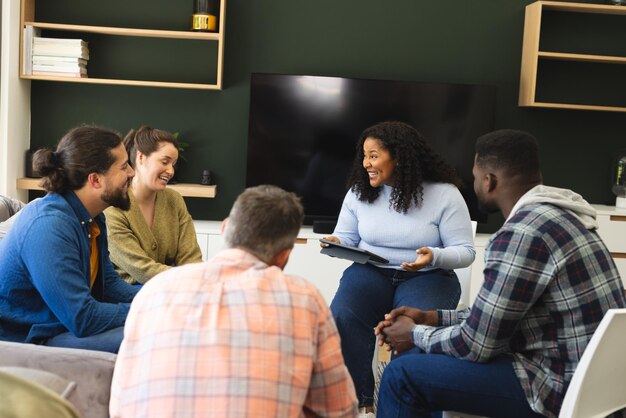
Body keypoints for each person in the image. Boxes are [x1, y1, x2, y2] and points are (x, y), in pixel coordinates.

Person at [375, 129, 626, 418]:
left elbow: (476, 346)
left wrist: (414, 332)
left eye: (474, 175)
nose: (475, 184)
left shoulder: (521, 234)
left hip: (554, 388)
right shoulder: (565, 217)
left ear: (489, 180)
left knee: (401, 376)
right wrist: (431, 318)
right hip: (597, 388)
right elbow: (498, 318)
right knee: (421, 355)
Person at [110, 185, 358, 418]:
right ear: (284, 256)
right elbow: (339, 410)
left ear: (225, 227)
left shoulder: (154, 290)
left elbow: (119, 404)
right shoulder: (303, 298)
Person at [322, 121, 475, 412]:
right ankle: (354, 403)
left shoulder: (444, 194)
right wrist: (336, 243)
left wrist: (435, 256)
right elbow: (348, 237)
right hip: (371, 271)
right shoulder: (359, 192)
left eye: (374, 156)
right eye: (364, 156)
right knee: (342, 314)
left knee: (411, 331)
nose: (366, 163)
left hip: (429, 276)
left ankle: (405, 408)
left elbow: (466, 252)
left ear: (400, 157)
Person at [0, 125, 140, 354]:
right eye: (124, 166)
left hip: (60, 325)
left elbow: (107, 287)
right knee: (150, 335)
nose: (132, 173)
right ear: (95, 179)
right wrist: (151, 308)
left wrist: (163, 294)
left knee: (163, 325)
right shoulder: (49, 226)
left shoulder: (92, 218)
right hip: (28, 339)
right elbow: (84, 318)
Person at [104, 126, 202, 284]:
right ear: (141, 158)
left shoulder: (174, 200)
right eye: (165, 162)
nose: (171, 171)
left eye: (173, 164)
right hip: (128, 300)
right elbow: (143, 270)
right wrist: (193, 278)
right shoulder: (113, 208)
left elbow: (191, 258)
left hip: (175, 291)